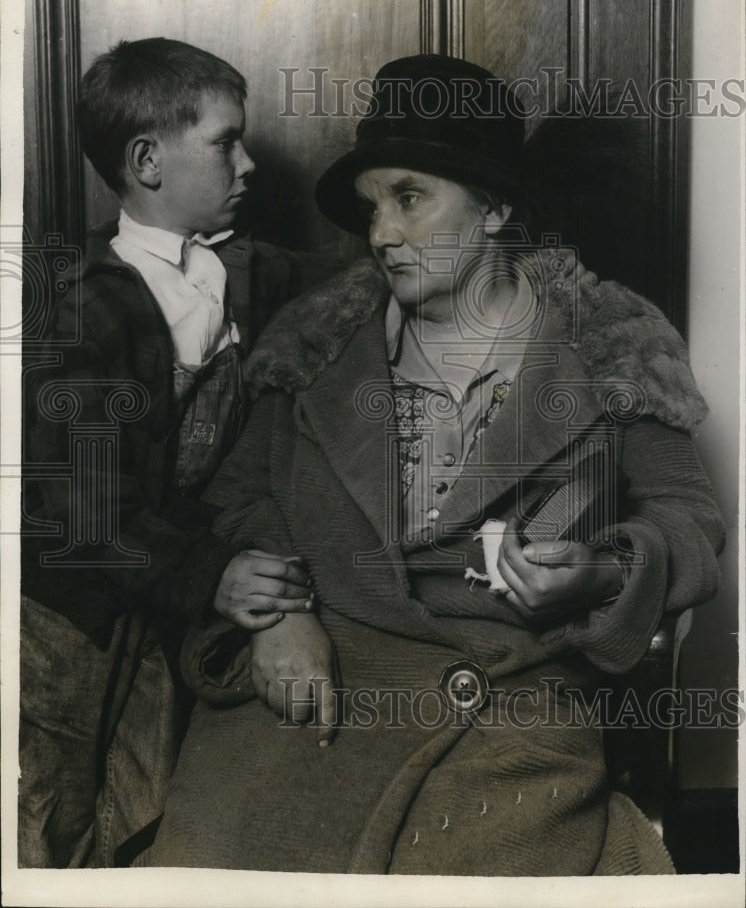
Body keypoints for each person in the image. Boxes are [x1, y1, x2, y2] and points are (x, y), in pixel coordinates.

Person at [143, 54, 725, 875]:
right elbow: (236, 499)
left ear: (495, 208)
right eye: (371, 207)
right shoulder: (315, 347)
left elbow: (687, 516)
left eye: (410, 198)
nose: (381, 235)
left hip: (506, 715)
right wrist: (278, 615)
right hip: (308, 693)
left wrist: (604, 572)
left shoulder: (611, 347)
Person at [19, 38, 327, 868]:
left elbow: (359, 280)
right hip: (64, 619)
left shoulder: (250, 272)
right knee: (43, 825)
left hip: (156, 619)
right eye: (226, 143)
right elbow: (85, 511)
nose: (249, 164)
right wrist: (213, 573)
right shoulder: (77, 306)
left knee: (142, 818)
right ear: (147, 162)